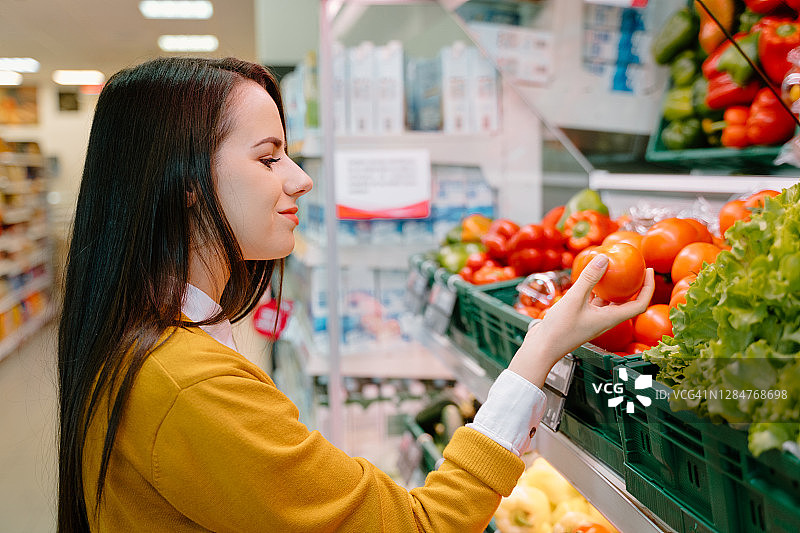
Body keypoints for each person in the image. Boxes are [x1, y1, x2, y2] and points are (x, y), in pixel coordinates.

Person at [57, 56, 654, 533]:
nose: (300, 178)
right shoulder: (189, 385)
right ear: (185, 180)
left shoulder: (142, 339)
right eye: (268, 158)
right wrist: (538, 350)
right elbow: (423, 527)